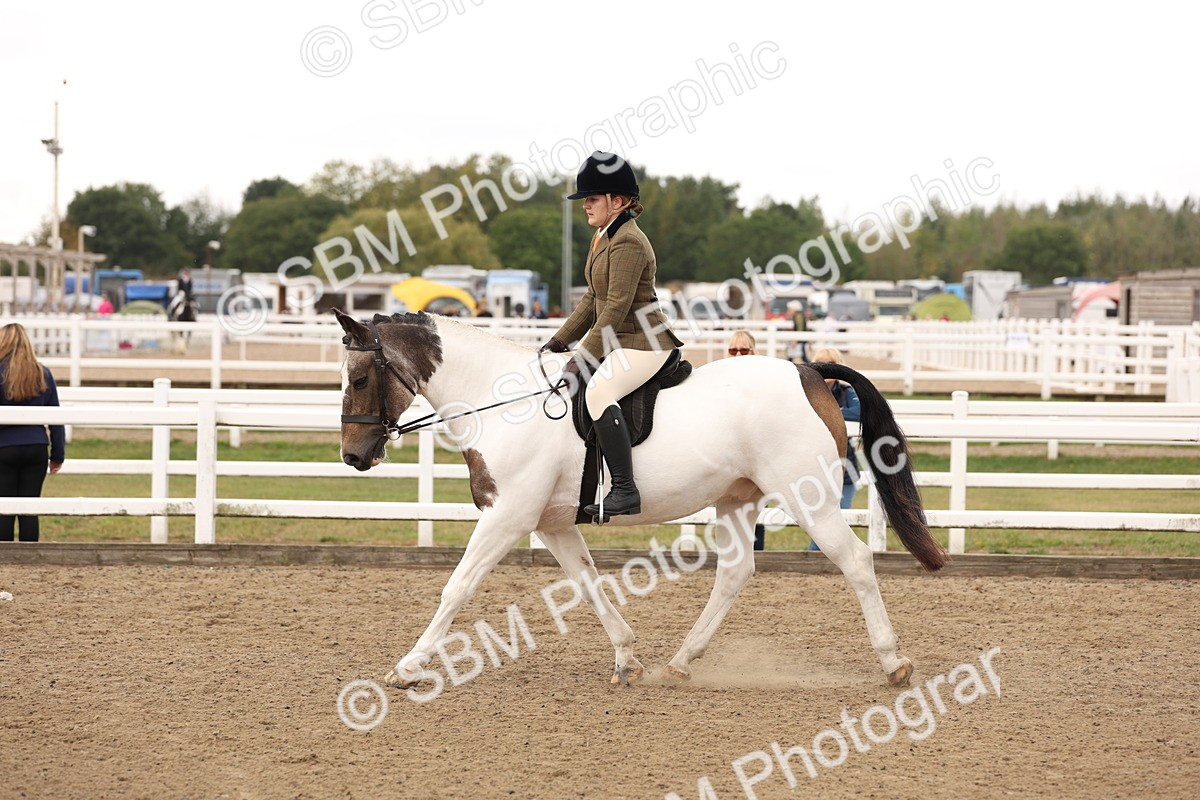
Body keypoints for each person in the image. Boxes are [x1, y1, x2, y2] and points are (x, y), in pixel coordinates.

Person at [541, 152, 683, 520]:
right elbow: (592, 298)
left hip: (645, 341)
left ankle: (624, 489)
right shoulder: (603, 237)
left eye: (592, 198)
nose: (585, 205)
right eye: (585, 199)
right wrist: (558, 342)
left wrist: (583, 355)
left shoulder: (629, 242)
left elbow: (617, 305)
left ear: (617, 202)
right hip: (622, 340)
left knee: (598, 390)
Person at [0, 323, 66, 542]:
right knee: (30, 507)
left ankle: (5, 554)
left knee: (3, 508)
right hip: (36, 448)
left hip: (3, 448)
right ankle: (30, 555)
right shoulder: (42, 373)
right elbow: (56, 419)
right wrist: (58, 455)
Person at [807, 347, 861, 551]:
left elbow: (858, 413)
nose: (827, 370)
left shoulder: (848, 392)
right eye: (822, 364)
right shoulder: (806, 392)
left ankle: (815, 556)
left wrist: (828, 412)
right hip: (813, 467)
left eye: (832, 365)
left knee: (839, 517)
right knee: (819, 521)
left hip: (845, 467)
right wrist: (838, 413)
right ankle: (815, 556)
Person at [724, 331, 769, 550]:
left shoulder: (762, 380)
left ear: (753, 351)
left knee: (755, 510)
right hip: (729, 459)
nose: (738, 354)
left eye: (744, 350)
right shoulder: (720, 381)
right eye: (733, 350)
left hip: (757, 456)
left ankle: (758, 552)